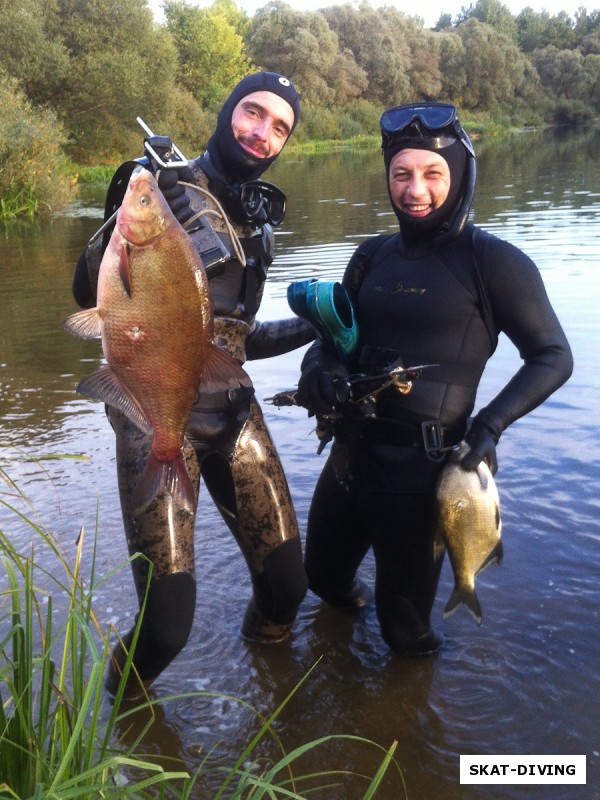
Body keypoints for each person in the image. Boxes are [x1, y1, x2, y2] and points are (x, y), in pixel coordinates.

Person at [295, 102, 573, 657]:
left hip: (426, 480)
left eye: (431, 174)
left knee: (405, 633)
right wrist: (320, 372)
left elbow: (552, 355)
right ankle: (347, 658)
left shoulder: (492, 262)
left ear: (461, 175)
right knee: (323, 581)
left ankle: (412, 728)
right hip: (351, 457)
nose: (414, 189)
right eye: (401, 174)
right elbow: (331, 340)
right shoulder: (371, 256)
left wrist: (490, 426)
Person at [72, 72, 315, 694]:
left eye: (279, 126)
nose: (263, 132)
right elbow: (86, 293)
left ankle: (274, 688)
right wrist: (133, 226)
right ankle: (117, 726)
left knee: (289, 588)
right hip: (156, 418)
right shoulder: (161, 185)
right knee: (166, 630)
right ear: (229, 110)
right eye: (253, 112)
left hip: (234, 414)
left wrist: (315, 326)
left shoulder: (257, 223)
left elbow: (237, 342)